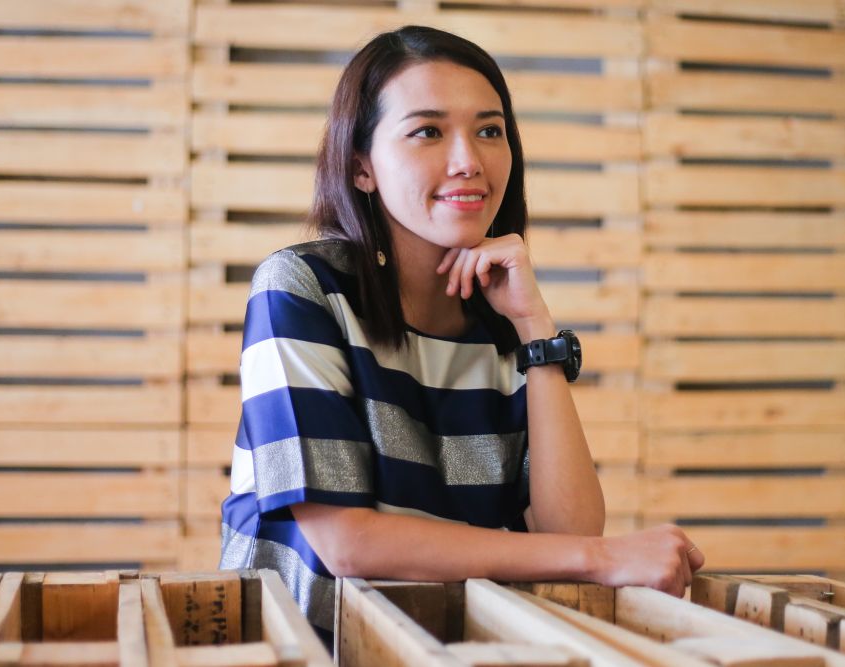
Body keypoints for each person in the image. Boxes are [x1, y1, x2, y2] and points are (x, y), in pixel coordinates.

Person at [219, 25, 705, 646]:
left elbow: (569, 527)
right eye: (427, 131)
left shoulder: (500, 312)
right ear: (361, 166)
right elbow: (349, 543)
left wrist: (535, 331)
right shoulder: (301, 288)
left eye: (489, 130)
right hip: (302, 651)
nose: (468, 160)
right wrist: (602, 559)